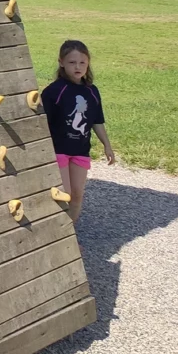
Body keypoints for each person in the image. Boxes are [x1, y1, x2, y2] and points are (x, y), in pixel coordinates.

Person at [40, 39, 115, 223]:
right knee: (64, 194)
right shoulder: (53, 91)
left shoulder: (92, 91)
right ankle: (58, 236)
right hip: (58, 150)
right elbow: (42, 123)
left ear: (88, 63)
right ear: (61, 63)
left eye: (82, 62)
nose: (77, 67)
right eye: (72, 62)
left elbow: (97, 120)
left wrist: (107, 145)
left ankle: (70, 237)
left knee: (77, 195)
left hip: (80, 150)